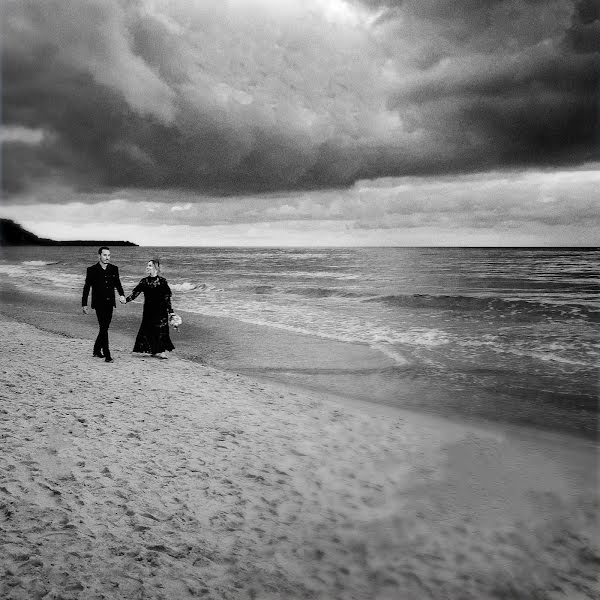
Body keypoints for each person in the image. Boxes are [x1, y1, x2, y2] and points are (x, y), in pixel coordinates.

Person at [82, 246, 126, 363]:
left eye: (109, 255)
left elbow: (118, 284)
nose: (107, 257)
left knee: (104, 328)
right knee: (104, 328)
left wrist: (122, 295)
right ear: (99, 256)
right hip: (98, 303)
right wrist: (84, 304)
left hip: (110, 303)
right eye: (105, 255)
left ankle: (96, 350)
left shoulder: (114, 269)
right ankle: (107, 355)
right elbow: (87, 288)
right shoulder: (91, 270)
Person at [125, 259, 175, 359]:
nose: (147, 267)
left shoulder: (162, 281)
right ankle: (154, 351)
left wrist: (171, 312)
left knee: (161, 330)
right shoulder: (144, 281)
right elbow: (135, 294)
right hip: (148, 311)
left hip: (161, 311)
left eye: (150, 266)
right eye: (147, 265)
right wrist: (125, 300)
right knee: (149, 330)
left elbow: (167, 298)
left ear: (156, 268)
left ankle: (161, 352)